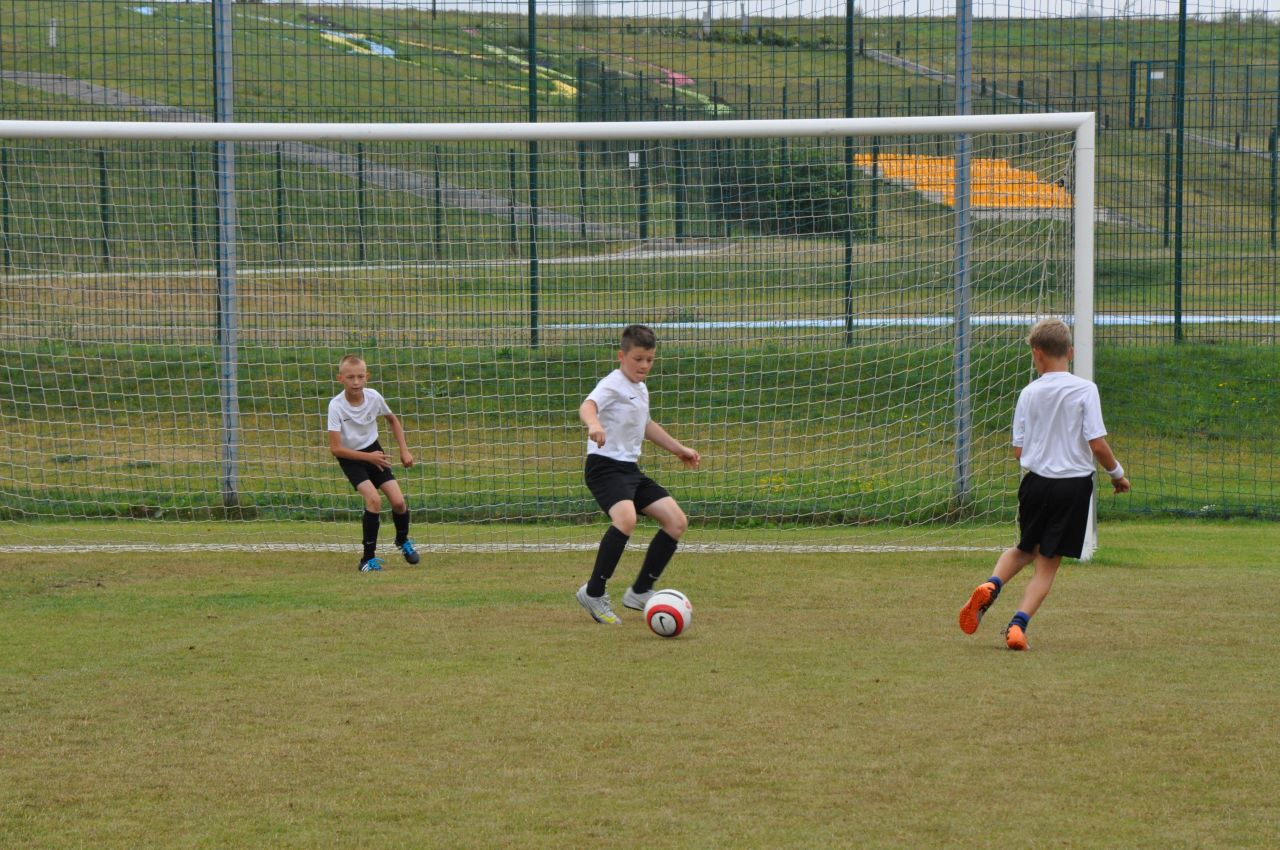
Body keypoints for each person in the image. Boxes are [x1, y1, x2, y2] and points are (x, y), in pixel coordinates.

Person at [958, 318, 1130, 650]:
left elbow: (1019, 450)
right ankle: (1017, 626)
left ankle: (992, 584)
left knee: (1024, 548)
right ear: (1071, 352)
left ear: (1036, 353)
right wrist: (1117, 474)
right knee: (1047, 565)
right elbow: (1097, 444)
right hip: (1072, 486)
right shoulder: (1085, 389)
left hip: (1035, 483)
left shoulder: (1028, 393)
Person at [576, 324, 700, 624]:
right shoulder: (613, 384)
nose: (644, 365)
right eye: (638, 359)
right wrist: (594, 424)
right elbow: (588, 405)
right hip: (604, 467)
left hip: (629, 470)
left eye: (650, 360)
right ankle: (593, 593)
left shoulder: (640, 389)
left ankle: (640, 591)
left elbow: (646, 425)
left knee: (676, 521)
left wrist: (679, 449)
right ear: (622, 356)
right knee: (626, 519)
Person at [327, 354, 420, 572]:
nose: (356, 382)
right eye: (350, 377)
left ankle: (402, 540)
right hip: (351, 458)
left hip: (374, 451)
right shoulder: (336, 406)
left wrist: (404, 450)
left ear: (367, 377)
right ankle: (367, 559)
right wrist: (368, 457)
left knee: (399, 502)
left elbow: (392, 420)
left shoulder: (374, 397)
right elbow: (336, 448)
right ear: (340, 378)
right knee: (374, 500)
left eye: (360, 377)